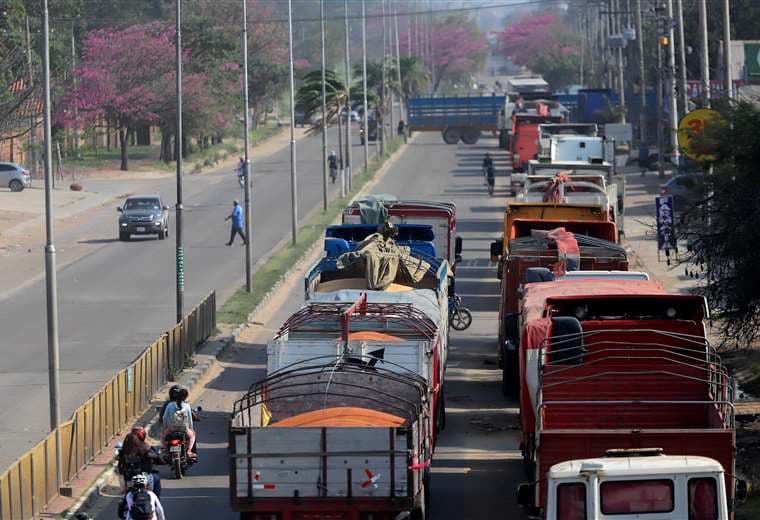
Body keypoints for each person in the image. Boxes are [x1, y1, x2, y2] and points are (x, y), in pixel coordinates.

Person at [117, 427, 162, 497]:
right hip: (144, 477)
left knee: (123, 498)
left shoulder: (124, 450)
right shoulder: (146, 448)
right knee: (156, 479)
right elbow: (158, 460)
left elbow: (120, 465)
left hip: (128, 479)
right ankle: (156, 503)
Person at [162, 386, 196, 457]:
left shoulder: (169, 405)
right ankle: (189, 451)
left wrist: (165, 428)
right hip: (184, 430)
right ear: (185, 397)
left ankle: (165, 451)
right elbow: (190, 420)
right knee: (192, 436)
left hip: (172, 429)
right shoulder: (187, 406)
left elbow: (164, 417)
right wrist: (191, 429)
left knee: (163, 437)